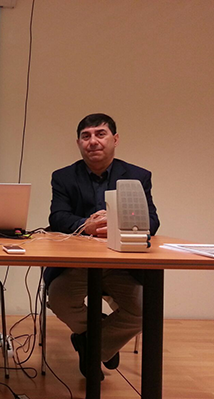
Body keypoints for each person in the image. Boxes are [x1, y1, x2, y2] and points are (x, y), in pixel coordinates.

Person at [44, 113, 160, 379]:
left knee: (147, 309)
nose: (93, 141)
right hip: (77, 264)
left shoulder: (138, 176)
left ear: (115, 139)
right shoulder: (63, 177)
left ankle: (93, 346)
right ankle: (102, 337)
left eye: (100, 134)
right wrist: (85, 225)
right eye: (86, 136)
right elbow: (57, 217)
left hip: (122, 265)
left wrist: (119, 220)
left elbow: (152, 222)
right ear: (78, 143)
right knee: (59, 299)